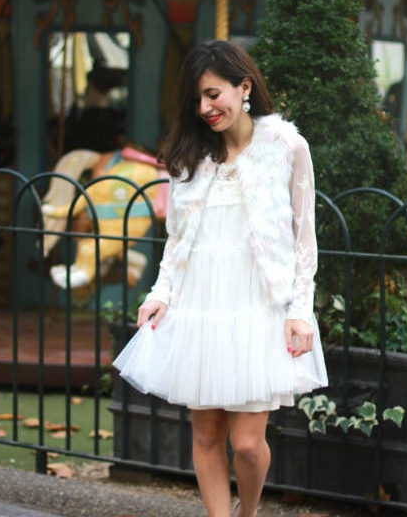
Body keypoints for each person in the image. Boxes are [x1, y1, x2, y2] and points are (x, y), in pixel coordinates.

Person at [113, 40, 327, 517]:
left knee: (248, 444)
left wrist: (300, 311)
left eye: (213, 95)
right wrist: (160, 293)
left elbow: (304, 239)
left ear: (244, 86)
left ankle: (246, 512)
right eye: (197, 100)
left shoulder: (287, 147)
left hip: (259, 305)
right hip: (200, 304)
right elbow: (177, 240)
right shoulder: (190, 156)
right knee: (207, 436)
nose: (205, 108)